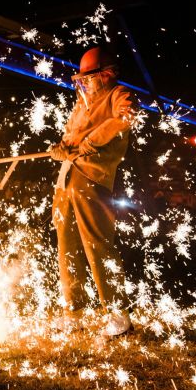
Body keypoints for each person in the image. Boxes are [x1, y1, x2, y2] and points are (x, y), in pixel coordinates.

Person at [48, 46, 137, 336]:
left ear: (107, 73)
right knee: (67, 247)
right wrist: (63, 148)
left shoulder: (118, 95)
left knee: (98, 245)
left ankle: (117, 314)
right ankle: (73, 311)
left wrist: (91, 142)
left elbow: (125, 118)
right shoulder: (83, 101)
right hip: (67, 179)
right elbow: (72, 137)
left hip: (93, 178)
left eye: (90, 76)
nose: (84, 82)